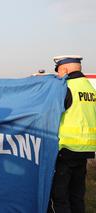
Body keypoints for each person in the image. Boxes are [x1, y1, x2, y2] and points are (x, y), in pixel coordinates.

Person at [48, 55, 96, 213]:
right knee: (77, 196)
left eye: (59, 72)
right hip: (85, 150)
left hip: (66, 150)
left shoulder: (66, 88)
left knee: (60, 197)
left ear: (65, 69)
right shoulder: (89, 88)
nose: (59, 76)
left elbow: (51, 114)